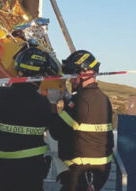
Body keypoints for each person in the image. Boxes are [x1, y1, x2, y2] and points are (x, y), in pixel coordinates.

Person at [0, 46, 58, 191]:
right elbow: (54, 129)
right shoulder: (43, 103)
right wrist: (54, 102)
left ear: (18, 69)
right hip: (31, 170)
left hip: (1, 167)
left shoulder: (0, 94)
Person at [49, 50, 114, 191]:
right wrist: (68, 100)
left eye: (73, 75)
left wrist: (53, 104)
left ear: (83, 74)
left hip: (82, 172)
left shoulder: (80, 102)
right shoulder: (104, 99)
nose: (71, 80)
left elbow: (55, 131)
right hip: (99, 170)